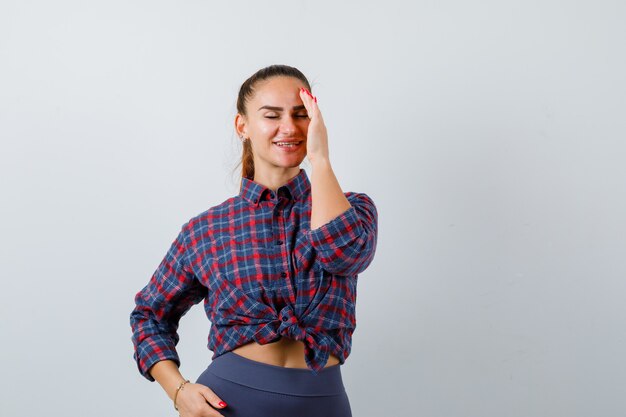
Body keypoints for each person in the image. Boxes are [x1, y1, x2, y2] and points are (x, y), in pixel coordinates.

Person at [130, 64, 378, 417]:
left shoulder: (354, 208)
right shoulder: (207, 230)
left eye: (301, 114)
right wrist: (179, 390)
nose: (289, 128)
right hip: (229, 404)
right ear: (242, 126)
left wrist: (320, 159)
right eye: (272, 116)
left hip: (324, 404)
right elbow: (149, 315)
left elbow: (344, 253)